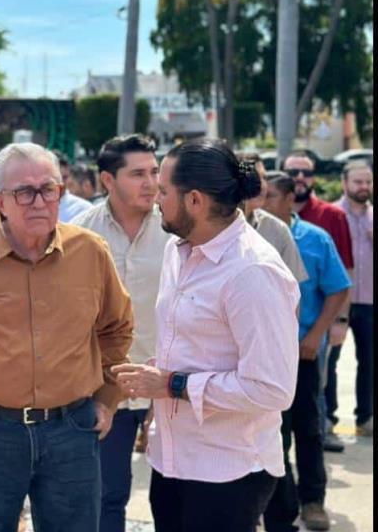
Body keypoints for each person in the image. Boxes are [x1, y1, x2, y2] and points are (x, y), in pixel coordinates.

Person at [0, 143, 134, 532]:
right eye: (24, 192)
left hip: (72, 428)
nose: (38, 201)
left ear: (61, 192)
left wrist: (107, 398)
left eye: (48, 189)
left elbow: (117, 327)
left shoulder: (90, 252)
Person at [114, 139, 299, 532]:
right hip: (172, 458)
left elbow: (272, 388)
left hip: (229, 470)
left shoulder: (252, 272)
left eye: (163, 191)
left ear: (194, 200)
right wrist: (159, 385)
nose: (155, 199)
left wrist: (173, 384)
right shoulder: (177, 251)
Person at [71, 134, 169, 532]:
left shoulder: (178, 230)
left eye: (154, 172)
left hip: (169, 384)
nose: (150, 182)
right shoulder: (79, 235)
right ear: (108, 181)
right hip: (103, 387)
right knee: (106, 495)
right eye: (137, 174)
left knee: (175, 498)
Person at [260, 171, 351, 531]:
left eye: (268, 196)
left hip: (304, 353)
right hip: (267, 354)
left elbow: (338, 288)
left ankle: (314, 500)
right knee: (273, 433)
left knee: (308, 430)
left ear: (287, 200)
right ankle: (282, 507)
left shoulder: (314, 239)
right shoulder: (249, 236)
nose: (260, 202)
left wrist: (316, 336)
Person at [284, 151, 355, 453]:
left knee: (317, 393)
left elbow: (344, 272)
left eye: (307, 173)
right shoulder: (259, 222)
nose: (301, 178)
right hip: (276, 341)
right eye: (293, 172)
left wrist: (339, 322)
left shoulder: (330, 218)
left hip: (314, 330)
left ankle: (325, 431)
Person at [327, 160, 373, 437]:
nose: (364, 187)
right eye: (358, 182)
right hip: (336, 302)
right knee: (330, 361)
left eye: (367, 181)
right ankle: (329, 417)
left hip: (369, 302)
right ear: (344, 183)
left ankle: (366, 417)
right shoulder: (332, 215)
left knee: (369, 362)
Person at [237, 153, 309, 283]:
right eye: (253, 177)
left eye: (264, 177)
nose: (262, 185)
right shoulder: (213, 225)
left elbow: (292, 288)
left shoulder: (277, 229)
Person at [55, 149, 95, 221]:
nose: (61, 182)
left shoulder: (84, 209)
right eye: (56, 178)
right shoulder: (34, 207)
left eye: (65, 177)